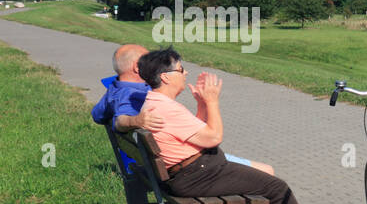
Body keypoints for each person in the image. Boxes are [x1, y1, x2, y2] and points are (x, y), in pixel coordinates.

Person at [137, 47, 351, 204]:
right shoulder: (168, 109)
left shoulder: (156, 103)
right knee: (276, 188)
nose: (186, 73)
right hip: (197, 175)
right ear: (165, 77)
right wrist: (212, 101)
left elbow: (197, 135)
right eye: (181, 69)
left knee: (264, 183)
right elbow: (213, 138)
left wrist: (201, 103)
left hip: (194, 172)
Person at [93, 44, 272, 173]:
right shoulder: (136, 96)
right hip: (184, 167)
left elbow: (97, 115)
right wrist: (134, 120)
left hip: (168, 162)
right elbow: (120, 121)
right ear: (137, 68)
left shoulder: (115, 89)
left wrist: (200, 105)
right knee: (266, 172)